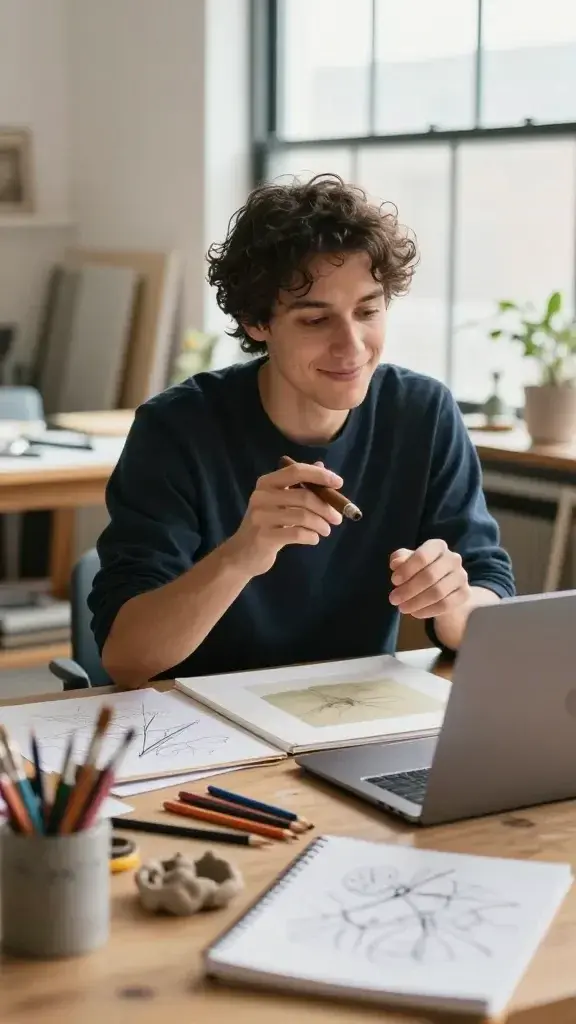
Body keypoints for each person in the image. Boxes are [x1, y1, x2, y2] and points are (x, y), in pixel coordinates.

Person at [89, 174, 514, 688]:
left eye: (368, 311)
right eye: (316, 321)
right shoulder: (176, 429)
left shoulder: (423, 413)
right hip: (202, 726)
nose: (352, 346)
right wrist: (242, 555)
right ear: (255, 321)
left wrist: (452, 603)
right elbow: (126, 659)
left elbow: (489, 600)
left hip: (353, 718)